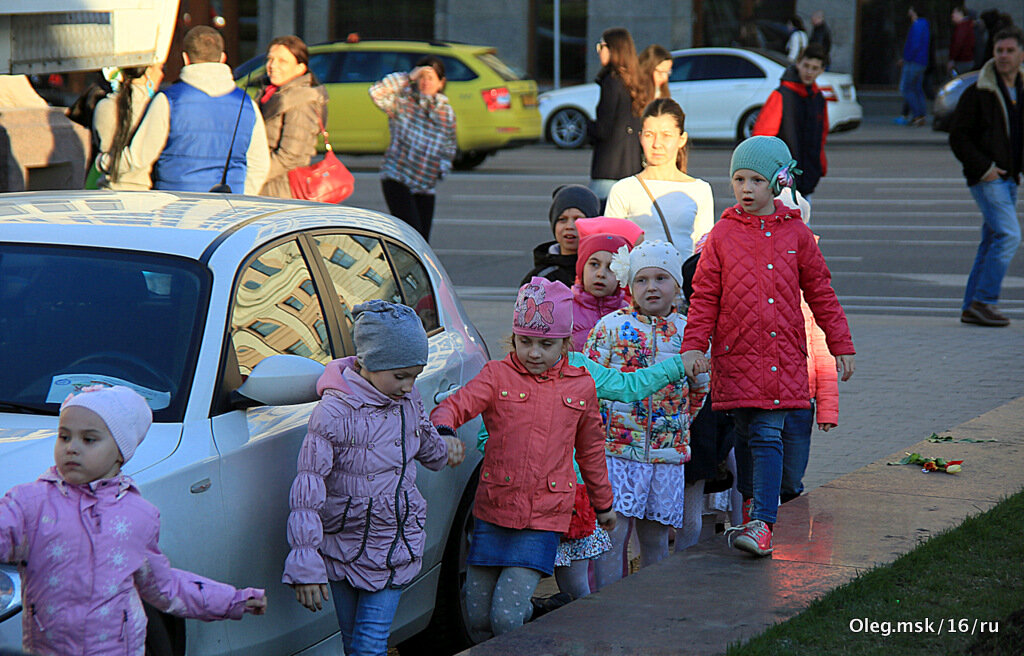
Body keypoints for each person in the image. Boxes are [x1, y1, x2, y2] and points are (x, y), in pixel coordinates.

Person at [681, 136, 855, 558]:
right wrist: (693, 346)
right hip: (734, 357)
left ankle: (763, 521)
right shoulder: (721, 235)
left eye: (756, 180)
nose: (745, 188)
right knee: (744, 434)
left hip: (782, 357)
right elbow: (705, 297)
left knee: (766, 434)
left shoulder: (796, 233)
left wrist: (840, 343)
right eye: (739, 179)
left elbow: (821, 293)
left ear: (777, 183)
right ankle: (748, 514)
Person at [0, 386, 267, 656]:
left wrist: (232, 600)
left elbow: (164, 585)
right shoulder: (30, 504)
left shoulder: (137, 515)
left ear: (120, 451)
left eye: (89, 439)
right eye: (64, 437)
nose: (72, 448)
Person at [430, 278, 616, 638]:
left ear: (565, 343)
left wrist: (603, 503)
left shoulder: (580, 385)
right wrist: (445, 432)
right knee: (478, 617)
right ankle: (544, 611)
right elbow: (453, 406)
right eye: (525, 341)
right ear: (513, 337)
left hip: (544, 517)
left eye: (546, 345)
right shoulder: (497, 375)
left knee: (505, 619)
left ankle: (530, 625)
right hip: (493, 511)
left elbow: (592, 449)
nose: (534, 353)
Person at [283, 301, 466, 656]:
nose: (409, 386)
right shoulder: (333, 413)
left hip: (393, 542)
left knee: (369, 645)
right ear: (367, 362)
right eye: (400, 376)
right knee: (355, 646)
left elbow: (425, 444)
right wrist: (305, 561)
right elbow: (307, 489)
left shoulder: (408, 399)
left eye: (415, 375)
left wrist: (445, 449)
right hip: (341, 546)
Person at [585, 240, 708, 587]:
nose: (651, 287)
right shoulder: (609, 328)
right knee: (613, 535)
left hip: (666, 455)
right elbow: (588, 384)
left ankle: (651, 600)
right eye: (642, 280)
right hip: (617, 453)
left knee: (656, 537)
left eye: (661, 278)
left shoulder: (689, 333)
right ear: (629, 285)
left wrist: (676, 426)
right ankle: (608, 601)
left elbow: (700, 390)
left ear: (677, 287)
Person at [102, 26, 270, 194]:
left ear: (185, 58)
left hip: (177, 206)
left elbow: (139, 158)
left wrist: (104, 162)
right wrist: (241, 197)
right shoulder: (247, 105)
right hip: (229, 209)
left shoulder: (169, 100)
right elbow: (260, 165)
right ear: (223, 58)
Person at [949, 26, 1024, 328]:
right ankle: (985, 301)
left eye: (1009, 51)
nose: (1003, 56)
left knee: (992, 239)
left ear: (1021, 54)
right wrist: (984, 168)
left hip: (1010, 178)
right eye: (999, 51)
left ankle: (971, 307)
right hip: (987, 178)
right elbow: (958, 137)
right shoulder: (979, 91)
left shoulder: (1019, 89)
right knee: (1009, 235)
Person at [605, 98, 713, 257]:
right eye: (649, 135)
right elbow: (610, 249)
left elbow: (704, 251)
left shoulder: (700, 189)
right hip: (638, 280)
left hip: (684, 280)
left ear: (681, 139)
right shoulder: (623, 189)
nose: (657, 144)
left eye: (666, 135)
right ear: (641, 137)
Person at [369, 56, 457, 241]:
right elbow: (376, 92)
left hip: (425, 185)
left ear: (441, 83)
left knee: (422, 241)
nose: (425, 82)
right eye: (421, 77)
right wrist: (408, 77)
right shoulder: (403, 102)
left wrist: (441, 169)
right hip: (398, 178)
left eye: (430, 78)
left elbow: (449, 145)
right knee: (410, 234)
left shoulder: (445, 111)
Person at [753, 43, 829, 199]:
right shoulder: (781, 95)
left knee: (803, 221)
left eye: (814, 68)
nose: (809, 72)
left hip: (807, 177)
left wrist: (820, 164)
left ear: (821, 71)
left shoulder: (818, 99)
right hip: (782, 182)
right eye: (806, 65)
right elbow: (762, 137)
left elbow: (821, 136)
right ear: (798, 64)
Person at [257, 35, 328, 199]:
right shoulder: (270, 93)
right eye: (270, 59)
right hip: (267, 186)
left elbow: (291, 156)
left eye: (282, 61)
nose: (273, 66)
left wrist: (253, 177)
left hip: (281, 191)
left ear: (300, 68)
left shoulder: (301, 101)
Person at [589, 27, 646, 203]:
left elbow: (603, 129)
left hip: (609, 168)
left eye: (601, 46)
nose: (599, 51)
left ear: (613, 49)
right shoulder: (634, 81)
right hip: (631, 166)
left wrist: (586, 127)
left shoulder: (611, 82)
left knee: (602, 222)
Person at [92, 62, 164, 190]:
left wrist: (102, 162)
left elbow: (104, 149)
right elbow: (137, 159)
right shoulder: (158, 107)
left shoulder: (105, 105)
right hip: (141, 195)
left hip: (106, 191)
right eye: (160, 68)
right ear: (147, 72)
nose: (162, 74)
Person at [522, 184, 601, 287]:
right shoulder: (541, 278)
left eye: (578, 219)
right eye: (562, 220)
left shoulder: (602, 272)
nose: (569, 226)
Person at [571, 233, 632, 351]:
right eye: (594, 264)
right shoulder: (564, 309)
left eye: (612, 267)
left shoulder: (629, 313)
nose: (601, 274)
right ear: (581, 268)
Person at [896, 7, 931, 126]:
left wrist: (906, 59)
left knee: (906, 89)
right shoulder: (925, 25)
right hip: (921, 61)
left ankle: (918, 115)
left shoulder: (916, 25)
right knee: (917, 89)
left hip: (913, 62)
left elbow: (914, 45)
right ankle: (921, 115)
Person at [949, 7, 977, 76]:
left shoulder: (962, 27)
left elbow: (958, 44)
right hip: (969, 59)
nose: (952, 15)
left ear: (960, 14)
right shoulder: (969, 25)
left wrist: (952, 59)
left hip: (962, 60)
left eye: (954, 13)